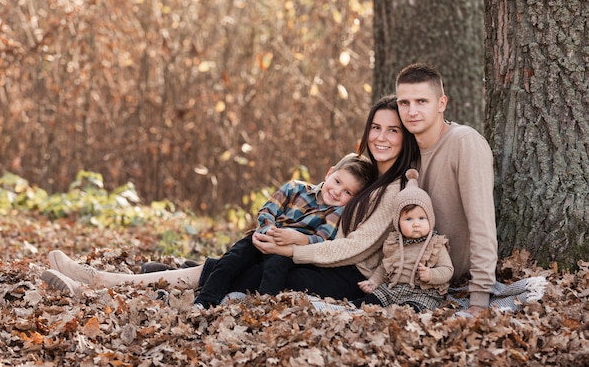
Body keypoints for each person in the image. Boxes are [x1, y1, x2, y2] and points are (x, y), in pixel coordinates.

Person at [41, 95, 420, 304]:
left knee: (242, 272)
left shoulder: (395, 188)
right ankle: (120, 281)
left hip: (349, 275)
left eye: (392, 130)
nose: (381, 136)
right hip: (323, 259)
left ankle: (102, 282)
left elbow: (353, 246)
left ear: (405, 137)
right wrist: (281, 236)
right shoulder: (369, 174)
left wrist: (295, 247)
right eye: (375, 127)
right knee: (235, 264)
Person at [192, 152, 376, 308]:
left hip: (288, 252)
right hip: (265, 236)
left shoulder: (338, 212)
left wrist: (298, 238)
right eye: (337, 182)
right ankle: (205, 300)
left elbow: (322, 239)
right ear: (329, 173)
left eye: (347, 192)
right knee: (232, 259)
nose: (337, 191)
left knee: (275, 270)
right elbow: (268, 210)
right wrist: (269, 230)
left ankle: (261, 307)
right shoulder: (295, 188)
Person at [394, 63, 498, 316]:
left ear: (441, 103)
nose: (412, 111)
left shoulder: (464, 142)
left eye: (421, 101)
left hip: (452, 276)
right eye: (404, 103)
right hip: (410, 276)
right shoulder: (408, 151)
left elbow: (482, 222)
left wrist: (480, 298)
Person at [353, 168, 453, 312]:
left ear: (430, 219)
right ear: (398, 222)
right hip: (394, 288)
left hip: (423, 292)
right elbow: (383, 267)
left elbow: (448, 270)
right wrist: (373, 282)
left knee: (412, 309)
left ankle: (403, 314)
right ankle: (357, 308)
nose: (416, 224)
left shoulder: (435, 244)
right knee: (372, 300)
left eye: (421, 218)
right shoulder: (394, 242)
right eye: (408, 219)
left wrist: (431, 275)